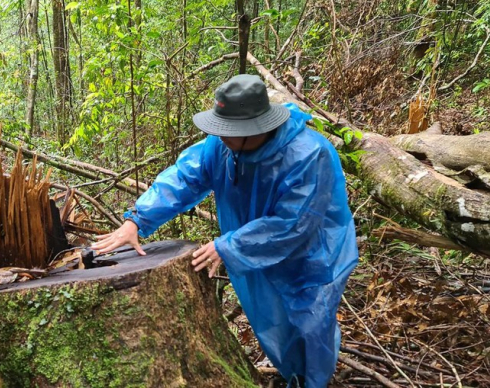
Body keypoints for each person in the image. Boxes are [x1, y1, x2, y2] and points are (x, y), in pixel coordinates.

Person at [91, 74, 359, 387]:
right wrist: (136, 219)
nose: (220, 137)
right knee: (274, 321)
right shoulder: (221, 147)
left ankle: (312, 382)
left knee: (311, 323)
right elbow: (185, 178)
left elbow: (294, 223)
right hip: (252, 247)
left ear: (257, 127)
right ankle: (293, 376)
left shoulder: (310, 154)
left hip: (311, 256)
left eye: (229, 132)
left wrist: (228, 246)